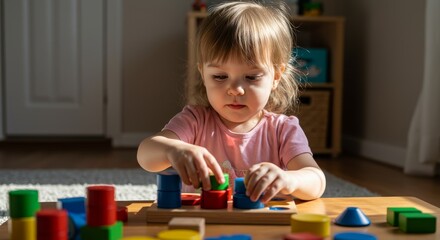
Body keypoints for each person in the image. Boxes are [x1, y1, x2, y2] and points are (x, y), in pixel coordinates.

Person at [137, 1, 326, 203]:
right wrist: (172, 149)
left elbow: (317, 180)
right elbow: (145, 155)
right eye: (219, 76)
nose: (235, 89)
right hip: (203, 224)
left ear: (276, 76)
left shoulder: (283, 130)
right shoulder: (195, 120)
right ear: (203, 73)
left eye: (252, 77)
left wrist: (289, 179)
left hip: (260, 227)